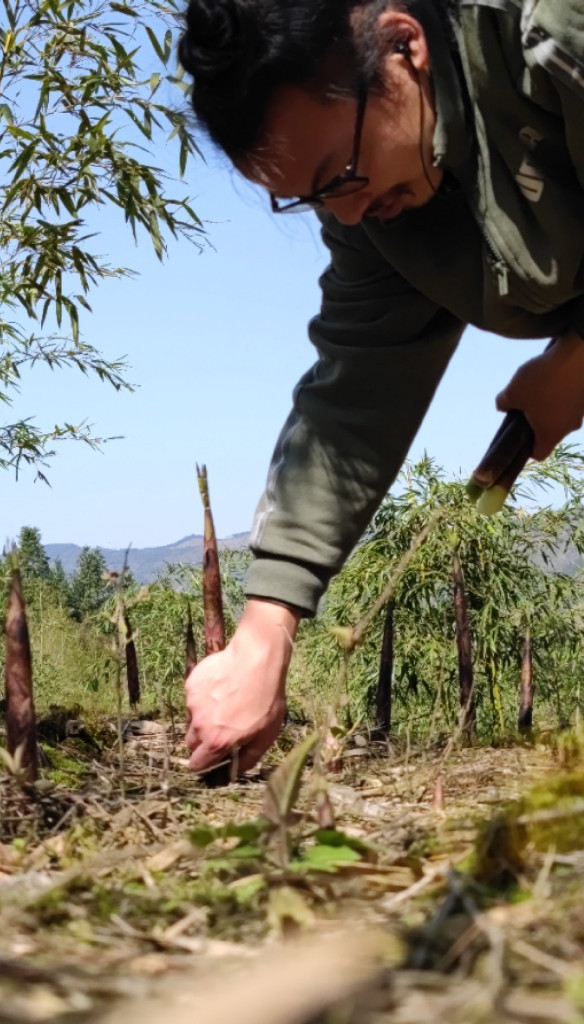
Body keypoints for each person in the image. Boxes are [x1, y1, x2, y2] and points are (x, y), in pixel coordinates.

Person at [178, 0, 584, 772]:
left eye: (341, 175)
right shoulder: (376, 205)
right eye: (310, 197)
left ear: (405, 46)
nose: (349, 212)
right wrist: (264, 632)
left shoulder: (547, 27)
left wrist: (577, 363)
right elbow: (356, 394)